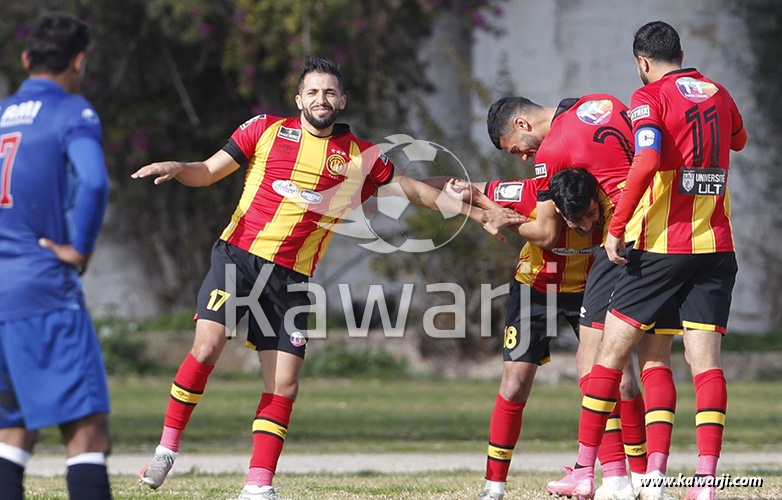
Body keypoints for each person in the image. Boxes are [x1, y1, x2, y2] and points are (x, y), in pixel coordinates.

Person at [132, 55, 523, 500]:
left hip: (293, 282)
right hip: (238, 259)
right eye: (313, 91)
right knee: (206, 348)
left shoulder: (359, 156)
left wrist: (477, 215)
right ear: (299, 98)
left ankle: (258, 486)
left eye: (330, 92)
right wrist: (179, 168)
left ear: (342, 100)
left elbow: (416, 192)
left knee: (284, 384)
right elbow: (207, 171)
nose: (321, 99)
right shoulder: (263, 130)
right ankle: (167, 448)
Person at [546, 21, 746, 500]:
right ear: (680, 51)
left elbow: (648, 158)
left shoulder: (649, 98)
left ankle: (585, 470)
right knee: (706, 367)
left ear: (642, 62)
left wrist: (616, 229)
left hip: (661, 247)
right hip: (717, 246)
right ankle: (705, 483)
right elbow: (737, 141)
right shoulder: (720, 93)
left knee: (606, 358)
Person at [485, 93, 674, 499]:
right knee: (653, 360)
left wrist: (503, 219)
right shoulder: (600, 101)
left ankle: (609, 475)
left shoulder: (550, 153)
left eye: (517, 149)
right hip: (665, 232)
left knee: (598, 364)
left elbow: (547, 231)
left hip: (620, 242)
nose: (523, 157)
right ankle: (645, 479)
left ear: (522, 126)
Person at [443, 169, 613, 500]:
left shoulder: (608, 198)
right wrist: (454, 192)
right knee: (515, 384)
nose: (588, 226)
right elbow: (463, 191)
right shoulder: (530, 195)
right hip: (536, 290)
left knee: (605, 380)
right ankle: (494, 486)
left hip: (590, 292)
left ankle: (615, 479)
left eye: (592, 215)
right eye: (576, 221)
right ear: (558, 210)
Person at [0, 13, 112, 500]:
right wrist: (80, 249)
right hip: (41, 289)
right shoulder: (72, 111)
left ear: (26, 60)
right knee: (86, 432)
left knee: (13, 431)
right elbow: (93, 181)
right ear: (80, 61)